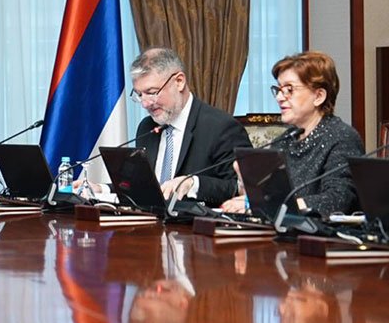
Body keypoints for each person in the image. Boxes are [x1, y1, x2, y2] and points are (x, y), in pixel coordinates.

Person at [221, 51, 363, 216]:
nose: (279, 97)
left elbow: (337, 200)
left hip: (325, 231)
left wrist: (280, 205)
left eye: (289, 89)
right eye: (278, 89)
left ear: (318, 96)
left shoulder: (342, 137)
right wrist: (247, 187)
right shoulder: (286, 139)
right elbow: (270, 196)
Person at [117, 48, 251, 206]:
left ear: (179, 82)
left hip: (197, 220)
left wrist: (193, 183)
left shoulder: (221, 127)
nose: (145, 104)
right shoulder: (146, 127)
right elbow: (140, 184)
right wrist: (101, 189)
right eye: (140, 95)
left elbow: (240, 188)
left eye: (152, 92)